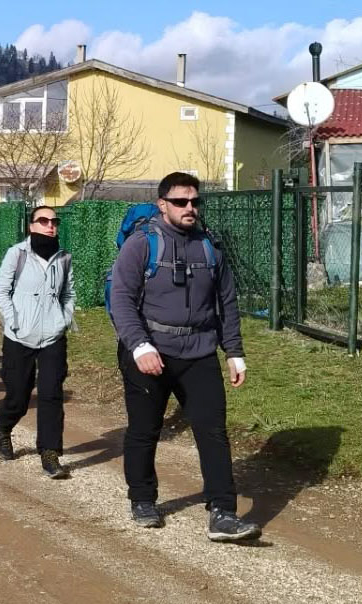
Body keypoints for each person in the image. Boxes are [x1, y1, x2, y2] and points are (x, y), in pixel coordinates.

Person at [108, 171, 260, 542]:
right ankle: (142, 499)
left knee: (213, 432)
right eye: (180, 201)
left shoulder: (210, 246)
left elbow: (226, 302)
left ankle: (223, 512)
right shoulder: (142, 245)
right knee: (145, 431)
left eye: (195, 201)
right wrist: (140, 346)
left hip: (200, 351)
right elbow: (121, 299)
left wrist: (234, 351)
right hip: (150, 351)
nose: (190, 208)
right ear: (163, 205)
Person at [0, 205, 75, 480]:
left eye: (54, 221)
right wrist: (13, 321)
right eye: (43, 220)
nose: (50, 225)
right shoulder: (17, 254)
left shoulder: (63, 258)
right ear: (31, 226)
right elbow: (1, 290)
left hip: (52, 336)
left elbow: (68, 293)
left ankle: (50, 454)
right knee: (19, 395)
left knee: (51, 393)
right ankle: (3, 426)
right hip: (19, 336)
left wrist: (62, 320)